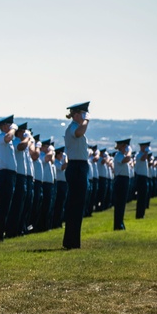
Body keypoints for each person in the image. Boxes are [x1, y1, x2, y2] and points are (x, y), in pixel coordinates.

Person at [62, 102, 90, 249]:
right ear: (77, 114)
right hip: (76, 167)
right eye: (83, 113)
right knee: (75, 205)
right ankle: (71, 241)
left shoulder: (76, 127)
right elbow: (80, 132)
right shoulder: (73, 127)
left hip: (80, 166)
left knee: (78, 206)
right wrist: (87, 120)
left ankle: (73, 241)